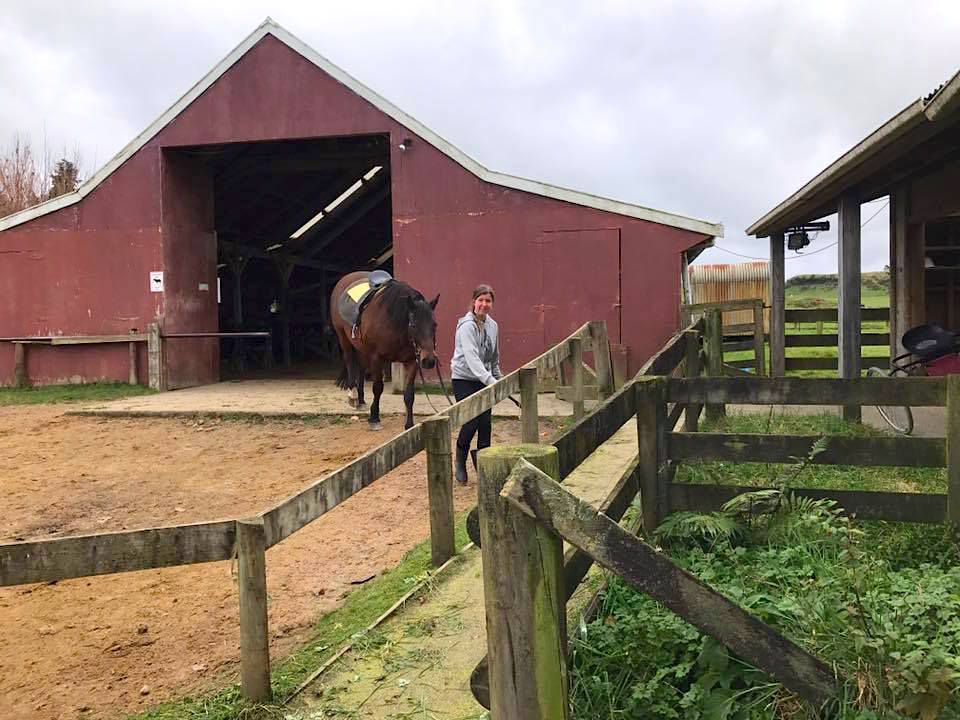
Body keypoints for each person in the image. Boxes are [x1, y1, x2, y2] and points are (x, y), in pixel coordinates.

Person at [450, 284, 502, 483]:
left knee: (485, 423)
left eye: (488, 301)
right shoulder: (467, 326)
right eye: (480, 300)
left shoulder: (493, 326)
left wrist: (499, 379)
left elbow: (494, 358)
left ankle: (484, 465)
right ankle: (460, 461)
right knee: (471, 421)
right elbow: (472, 360)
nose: (484, 304)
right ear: (473, 302)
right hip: (463, 379)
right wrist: (491, 382)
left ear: (492, 304)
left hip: (484, 379)